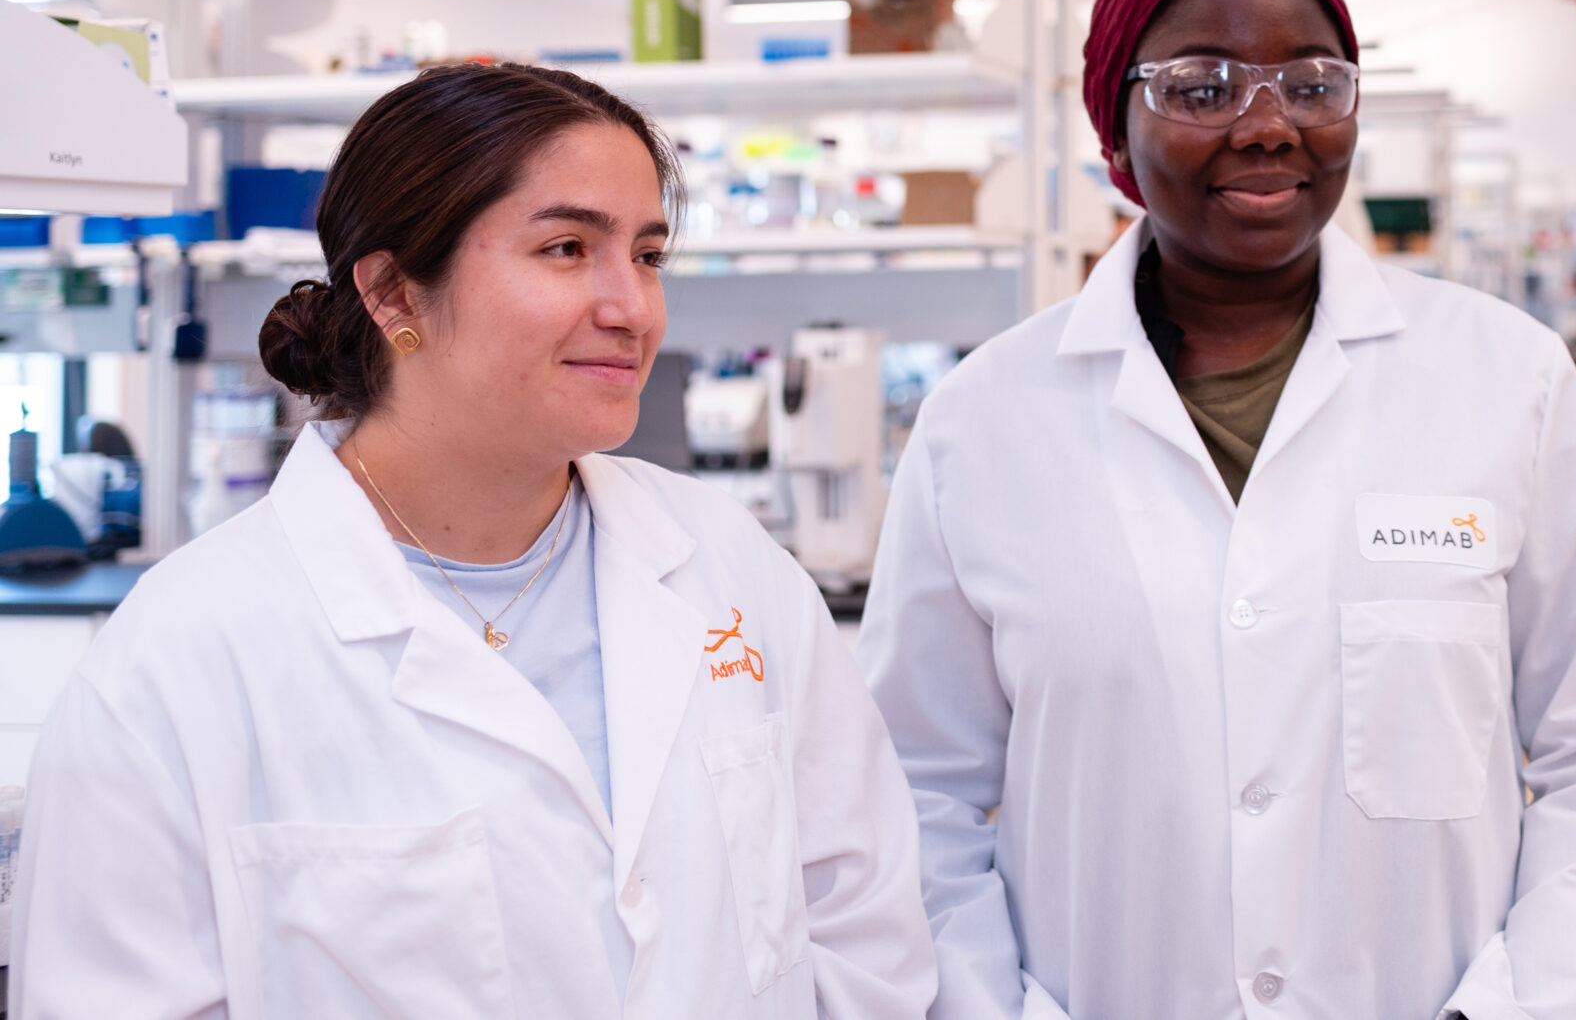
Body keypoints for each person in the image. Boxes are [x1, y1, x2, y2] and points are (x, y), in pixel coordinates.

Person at [858, 0, 1576, 1020]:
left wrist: (1528, 1000)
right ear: (1115, 128)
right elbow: (915, 785)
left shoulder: (1506, 380)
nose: (1266, 124)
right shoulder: (984, 422)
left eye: (1311, 82)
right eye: (1201, 87)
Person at [10, 63, 936, 1019]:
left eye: (648, 254)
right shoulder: (176, 661)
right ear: (394, 295)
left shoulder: (728, 564)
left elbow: (864, 936)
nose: (632, 307)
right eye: (568, 247)